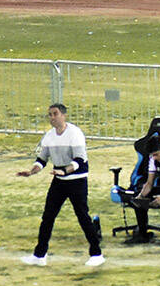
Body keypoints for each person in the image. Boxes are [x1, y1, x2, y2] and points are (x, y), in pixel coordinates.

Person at [17, 104, 104, 268]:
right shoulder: (49, 136)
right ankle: (39, 255)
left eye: (55, 114)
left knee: (82, 216)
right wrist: (32, 171)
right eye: (49, 114)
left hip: (77, 180)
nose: (52, 117)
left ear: (63, 115)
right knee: (48, 217)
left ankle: (96, 253)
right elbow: (42, 159)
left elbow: (80, 160)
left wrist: (65, 171)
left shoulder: (75, 133)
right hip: (59, 180)